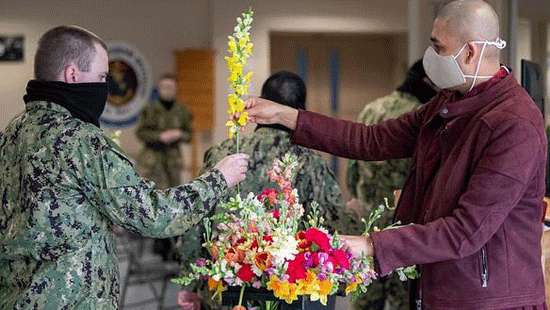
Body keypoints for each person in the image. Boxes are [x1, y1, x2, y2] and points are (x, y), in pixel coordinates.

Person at [245, 1, 547, 309]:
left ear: (470, 52)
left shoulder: (514, 125)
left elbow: (465, 231)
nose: (431, 58)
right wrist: (288, 116)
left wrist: (372, 245)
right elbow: (372, 139)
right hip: (440, 287)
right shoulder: (450, 101)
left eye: (438, 48)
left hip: (489, 299)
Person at [0, 25, 249, 309]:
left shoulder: (12, 133)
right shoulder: (82, 141)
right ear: (72, 74)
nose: (105, 86)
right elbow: (154, 214)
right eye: (102, 76)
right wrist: (218, 178)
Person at [179, 71, 351, 309]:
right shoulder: (310, 162)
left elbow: (195, 217)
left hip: (225, 287)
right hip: (287, 292)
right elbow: (334, 227)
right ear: (301, 110)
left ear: (262, 104)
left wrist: (191, 284)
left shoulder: (224, 153)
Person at [346, 59, 437, 310]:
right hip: (402, 227)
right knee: (401, 299)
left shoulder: (371, 109)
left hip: (367, 220)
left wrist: (360, 197)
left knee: (364, 297)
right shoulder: (421, 118)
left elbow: (353, 167)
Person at [136, 73, 193, 261]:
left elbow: (189, 134)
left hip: (173, 162)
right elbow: (141, 132)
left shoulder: (182, 110)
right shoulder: (150, 109)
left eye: (171, 87)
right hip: (154, 161)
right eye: (164, 87)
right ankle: (159, 244)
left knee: (174, 200)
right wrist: (159, 137)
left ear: (175, 89)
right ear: (158, 89)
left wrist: (179, 134)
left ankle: (173, 246)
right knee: (157, 201)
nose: (167, 91)